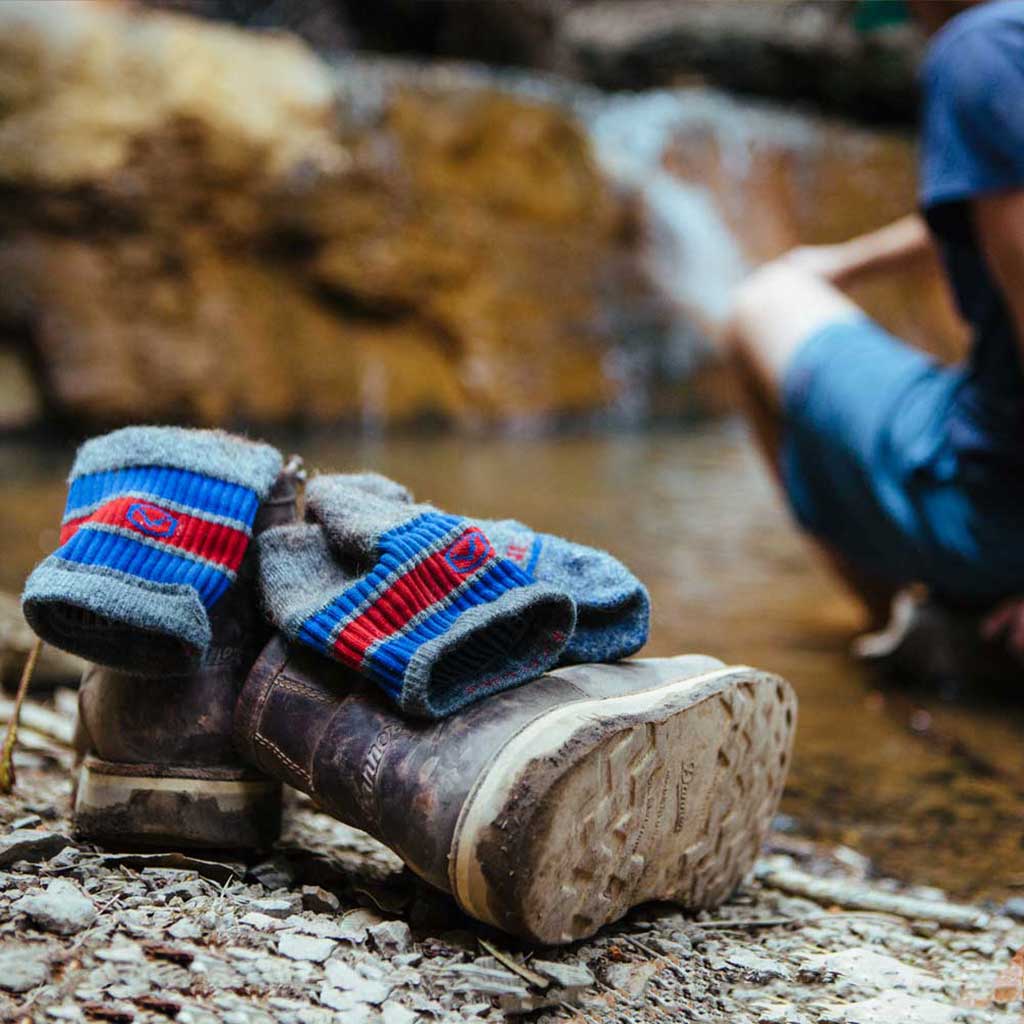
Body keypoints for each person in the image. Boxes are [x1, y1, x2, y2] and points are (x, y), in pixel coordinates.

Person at [722, 0, 1024, 671]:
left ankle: (914, 628)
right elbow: (995, 191)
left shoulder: (986, 48)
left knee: (759, 303)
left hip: (997, 510)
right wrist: (848, 262)